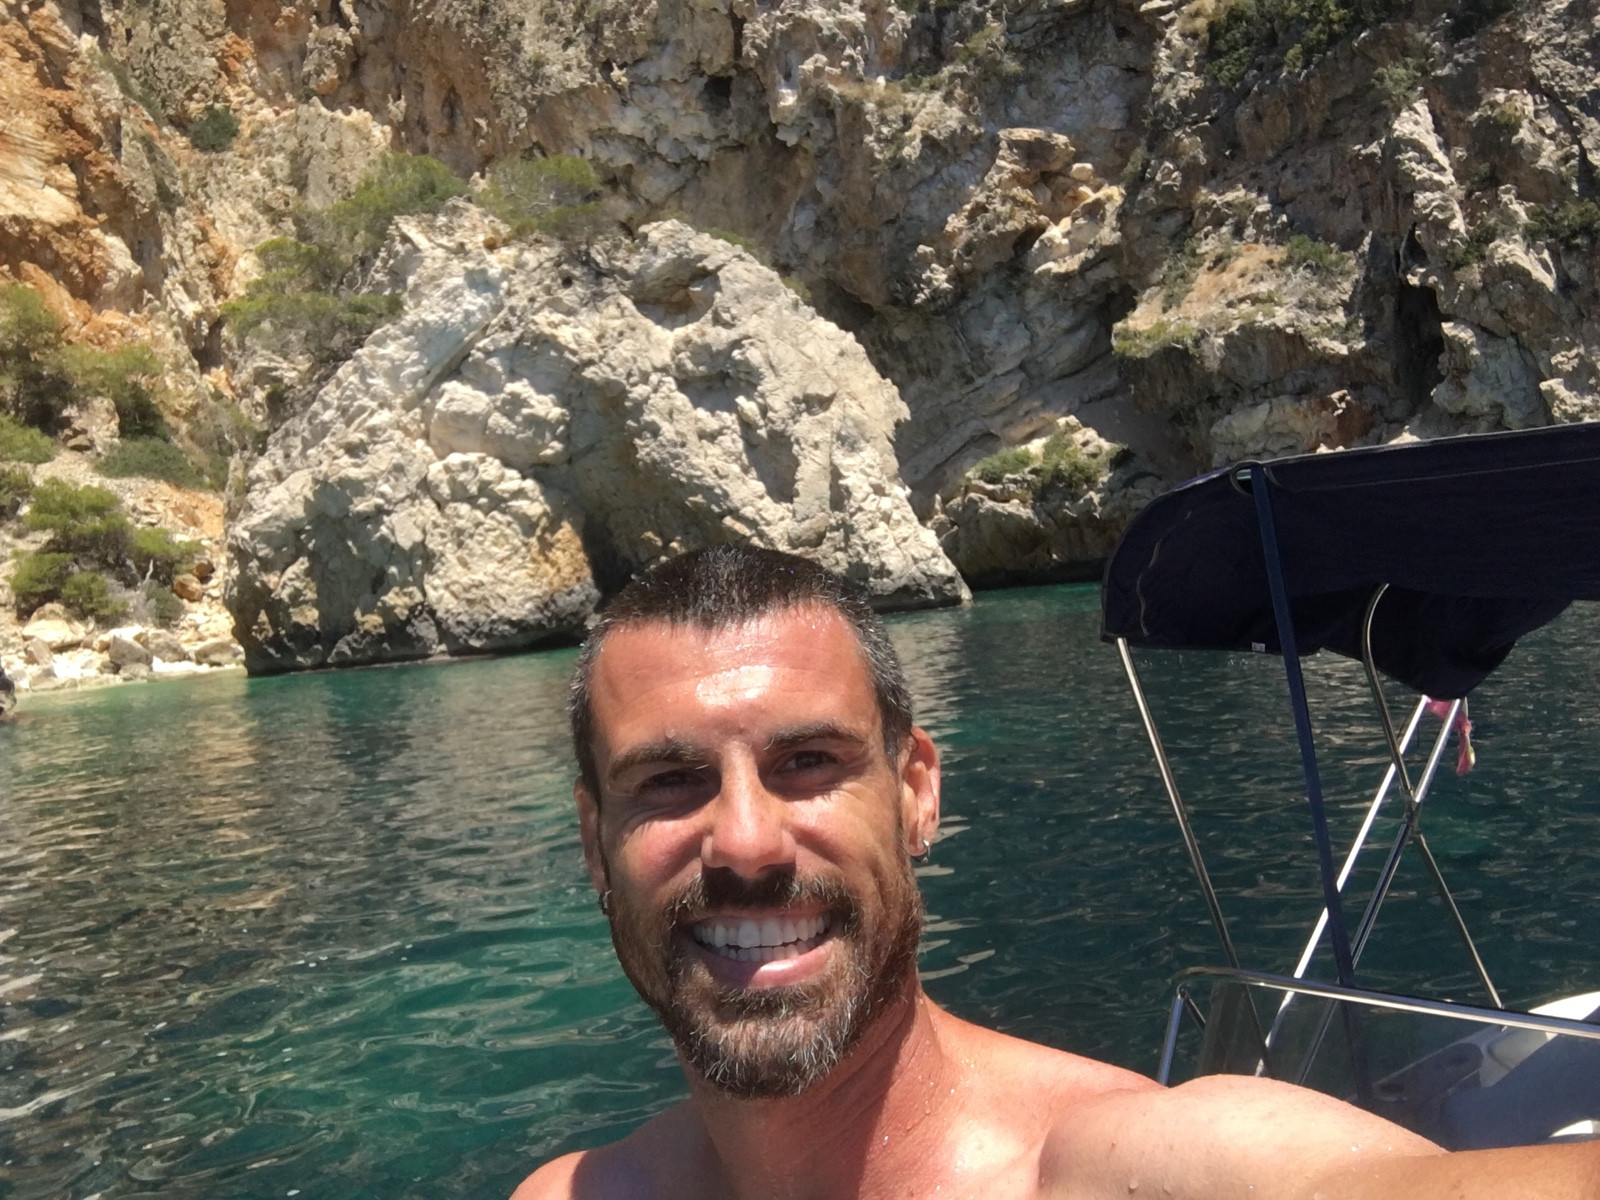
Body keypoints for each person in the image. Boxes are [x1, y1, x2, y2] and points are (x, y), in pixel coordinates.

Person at [513, 545, 1599, 1200]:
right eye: (668, 781)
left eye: (808, 763)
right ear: (592, 842)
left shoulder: (1132, 1168)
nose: (746, 843)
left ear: (916, 793)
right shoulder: (573, 1195)